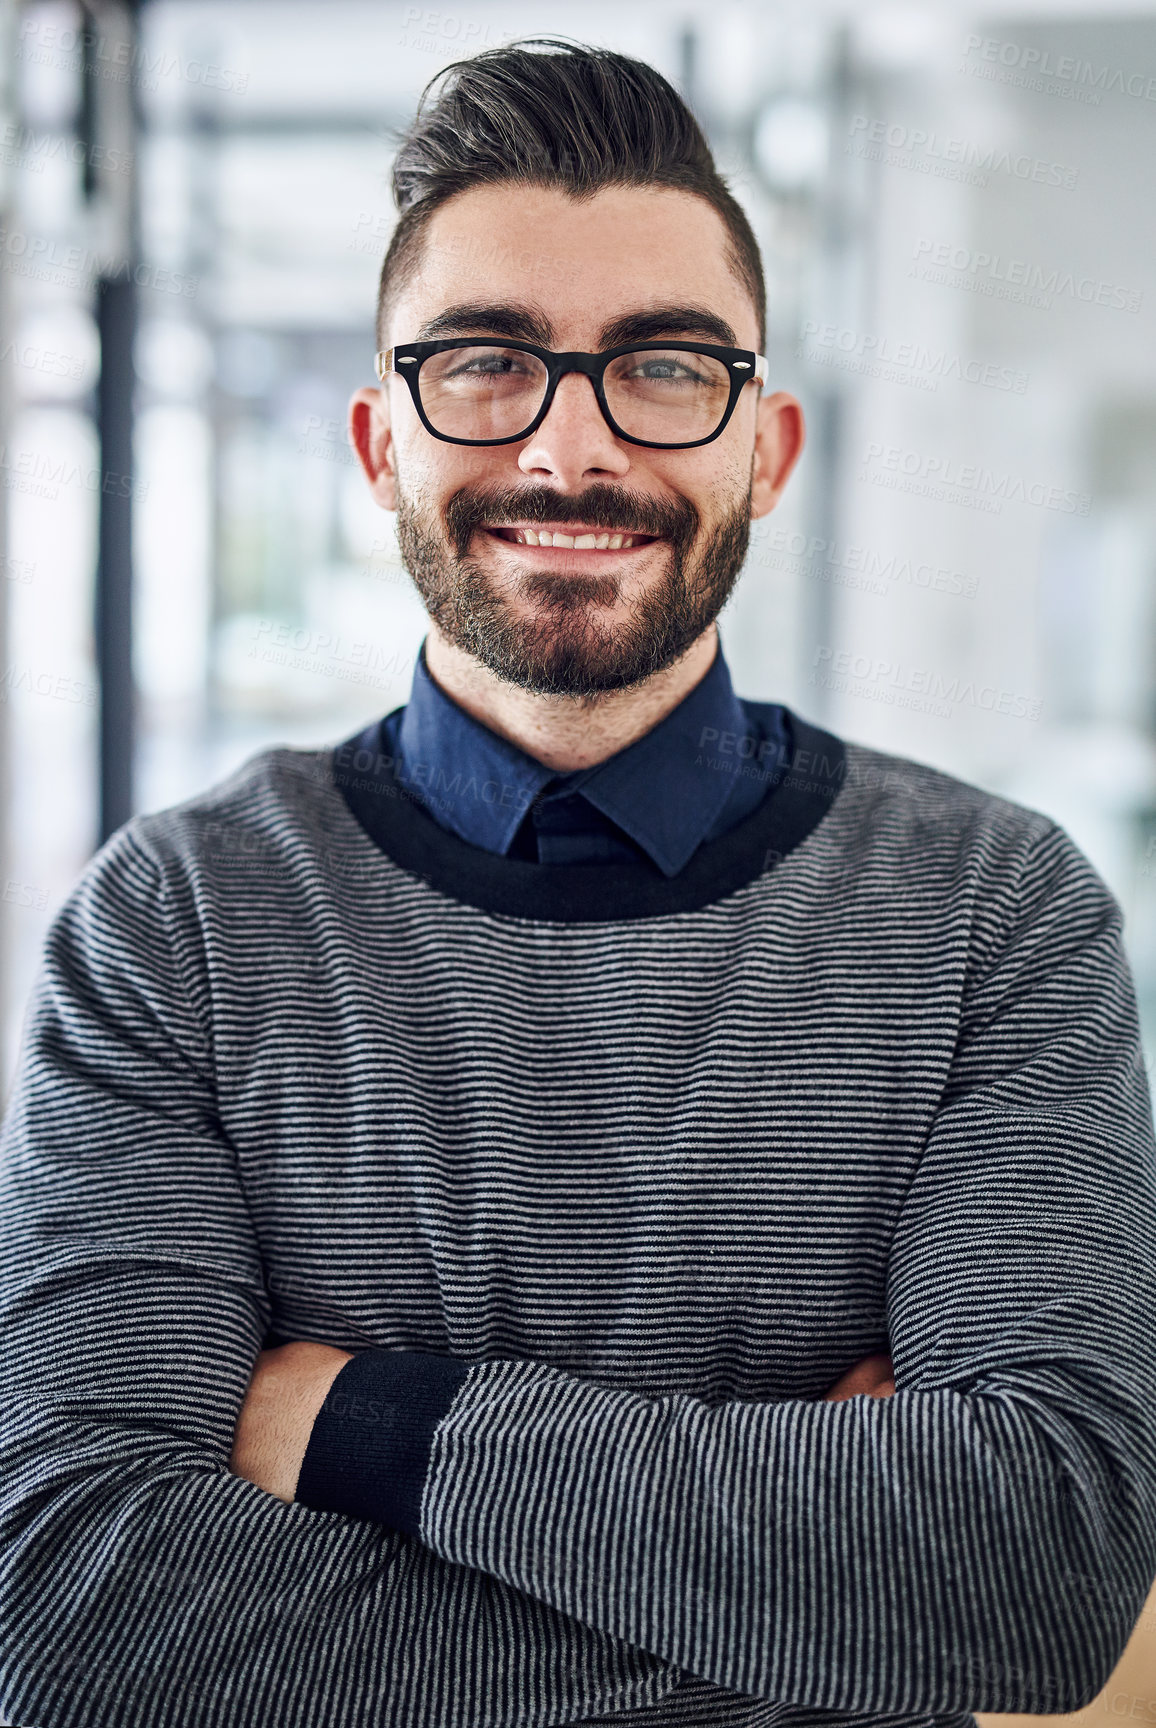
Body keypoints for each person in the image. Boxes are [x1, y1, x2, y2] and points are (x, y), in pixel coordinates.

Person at [2, 34, 1155, 1728]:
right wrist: (802, 1606)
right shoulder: (174, 922)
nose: (567, 449)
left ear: (767, 449)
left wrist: (357, 1430)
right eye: (484, 365)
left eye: (664, 368)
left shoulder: (999, 914)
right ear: (378, 438)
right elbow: (65, 1605)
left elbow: (1043, 1572)